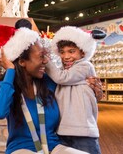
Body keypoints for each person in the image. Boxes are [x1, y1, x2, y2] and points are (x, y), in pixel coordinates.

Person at [0, 24, 89, 154]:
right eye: (41, 56)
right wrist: (10, 70)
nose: (46, 61)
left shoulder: (49, 82)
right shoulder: (4, 87)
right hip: (21, 148)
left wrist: (91, 85)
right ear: (22, 61)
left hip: (54, 147)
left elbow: (74, 89)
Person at [45, 26, 106, 154]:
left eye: (71, 51)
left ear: (82, 52)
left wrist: (46, 62)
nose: (66, 56)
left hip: (83, 131)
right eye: (62, 52)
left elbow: (61, 78)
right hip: (63, 131)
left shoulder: (84, 66)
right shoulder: (63, 71)